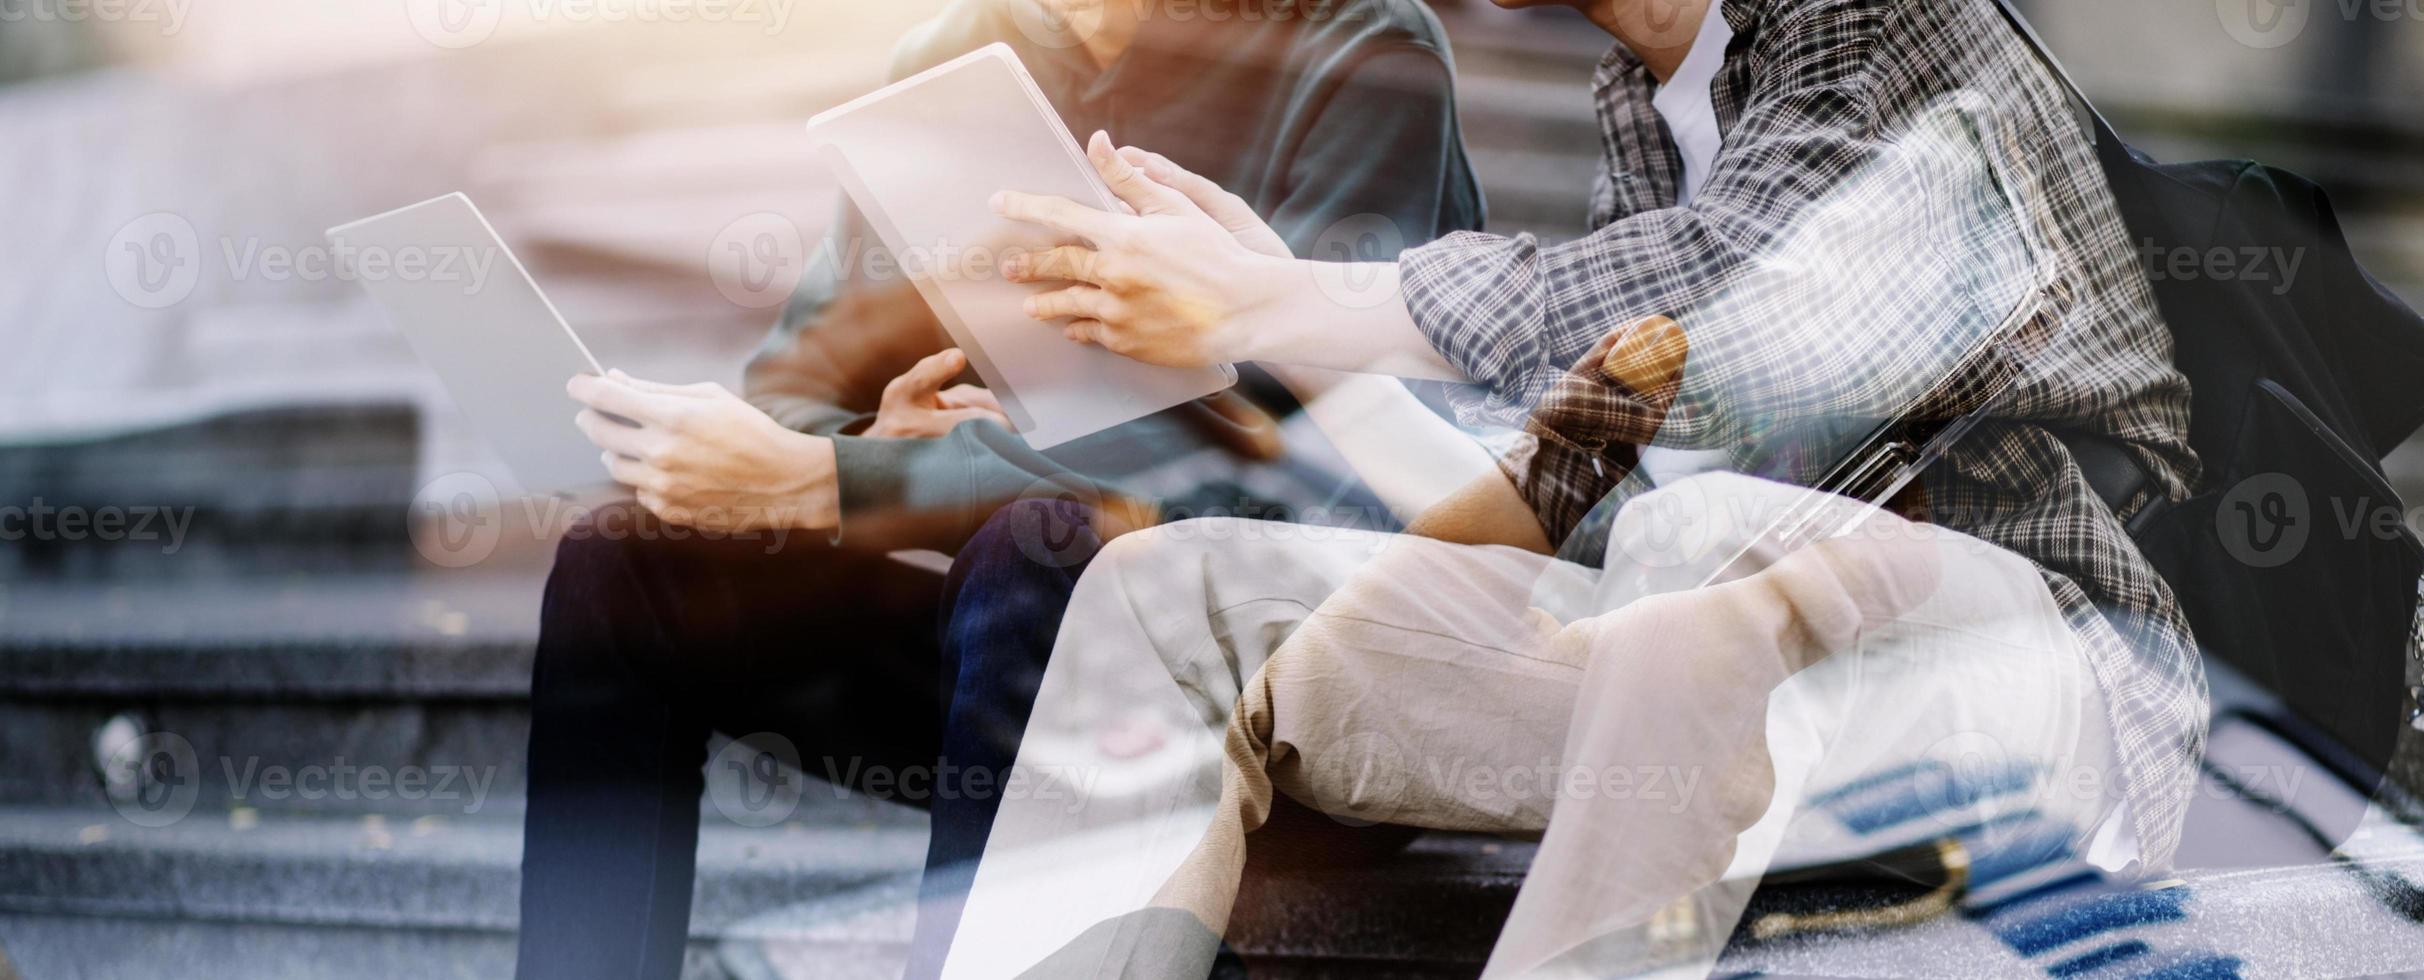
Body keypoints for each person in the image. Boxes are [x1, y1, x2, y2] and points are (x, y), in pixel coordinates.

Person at [942, 0, 2210, 973]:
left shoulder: (1882, 19)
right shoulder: (1644, 100)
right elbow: (1571, 502)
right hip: (1699, 699)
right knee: (1173, 593)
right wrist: (1280, 324)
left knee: (1716, 540)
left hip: (2038, 690)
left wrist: (1300, 298)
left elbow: (1738, 323)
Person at [513, 1, 1487, 977]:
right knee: (624, 560)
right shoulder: (949, 55)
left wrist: (858, 479)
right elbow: (795, 389)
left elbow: (1274, 455)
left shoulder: (1357, 43)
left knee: (1044, 539)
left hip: (1287, 712)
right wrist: (872, 439)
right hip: (1023, 683)